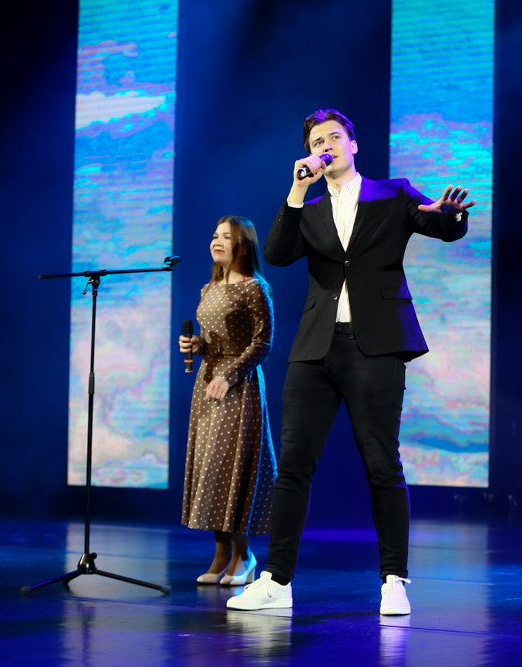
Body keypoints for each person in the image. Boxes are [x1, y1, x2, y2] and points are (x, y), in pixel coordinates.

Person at [227, 108, 474, 615]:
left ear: (353, 144)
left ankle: (394, 580)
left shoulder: (394, 193)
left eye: (334, 137)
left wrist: (450, 215)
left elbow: (439, 224)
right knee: (293, 465)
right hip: (315, 348)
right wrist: (297, 190)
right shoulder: (310, 207)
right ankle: (277, 580)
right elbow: (277, 253)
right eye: (318, 142)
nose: (327, 146)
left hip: (375, 345)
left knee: (382, 463)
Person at [179, 215, 277, 587]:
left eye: (226, 236)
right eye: (214, 235)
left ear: (243, 246)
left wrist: (229, 375)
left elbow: (262, 343)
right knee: (208, 466)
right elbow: (212, 340)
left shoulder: (255, 288)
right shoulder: (209, 287)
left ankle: (243, 555)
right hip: (207, 384)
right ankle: (221, 553)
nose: (216, 241)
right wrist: (197, 345)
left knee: (231, 466)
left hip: (239, 385)